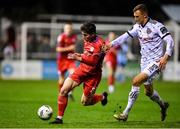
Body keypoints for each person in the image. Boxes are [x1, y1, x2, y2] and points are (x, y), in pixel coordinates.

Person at [105, 4, 174, 121]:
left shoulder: (157, 26)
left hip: (156, 61)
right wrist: (111, 44)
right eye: (134, 16)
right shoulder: (137, 27)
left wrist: (165, 57)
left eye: (137, 16)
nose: (135, 19)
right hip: (144, 62)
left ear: (145, 15)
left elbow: (170, 40)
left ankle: (125, 114)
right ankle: (163, 105)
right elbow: (124, 37)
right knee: (148, 92)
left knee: (135, 81)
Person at [50, 22, 108, 124]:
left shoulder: (100, 44)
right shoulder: (87, 39)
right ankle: (59, 118)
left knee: (85, 102)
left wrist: (78, 57)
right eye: (82, 34)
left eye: (85, 35)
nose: (83, 37)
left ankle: (102, 97)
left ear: (93, 34)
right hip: (82, 70)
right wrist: (80, 55)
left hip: (93, 75)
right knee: (63, 90)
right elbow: (88, 55)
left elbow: (93, 61)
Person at [56, 22, 77, 100]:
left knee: (74, 75)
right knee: (61, 79)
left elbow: (75, 48)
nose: (68, 30)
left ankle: (70, 92)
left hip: (70, 60)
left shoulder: (74, 37)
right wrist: (69, 48)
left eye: (70, 28)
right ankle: (61, 95)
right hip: (61, 60)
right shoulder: (61, 37)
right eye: (67, 28)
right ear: (64, 29)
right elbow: (58, 49)